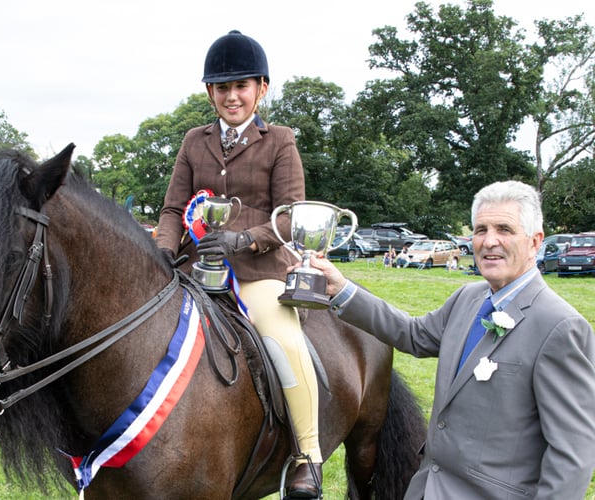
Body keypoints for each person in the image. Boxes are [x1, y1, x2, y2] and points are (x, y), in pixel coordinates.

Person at [302, 180, 595, 499]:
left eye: (504, 229)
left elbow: (572, 456)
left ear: (535, 241)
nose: (489, 241)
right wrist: (342, 289)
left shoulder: (560, 327)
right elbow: (412, 334)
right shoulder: (468, 297)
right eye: (481, 230)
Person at [154, 30, 323, 498]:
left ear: (261, 89)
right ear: (210, 92)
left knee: (284, 340)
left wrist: (244, 238)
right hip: (193, 269)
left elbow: (289, 216)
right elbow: (172, 209)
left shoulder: (280, 141)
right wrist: (165, 253)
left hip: (257, 272)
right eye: (222, 88)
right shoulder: (194, 140)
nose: (231, 96)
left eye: (241, 86)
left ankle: (307, 454)